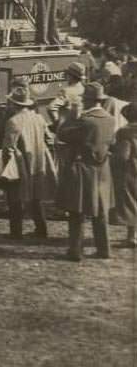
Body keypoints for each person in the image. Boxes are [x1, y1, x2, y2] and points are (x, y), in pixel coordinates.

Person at [57, 82, 116, 261]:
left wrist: (70, 116)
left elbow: (63, 134)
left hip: (83, 168)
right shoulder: (110, 119)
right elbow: (111, 142)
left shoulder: (84, 120)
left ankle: (75, 251)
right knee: (101, 212)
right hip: (103, 168)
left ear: (89, 100)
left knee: (77, 211)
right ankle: (104, 249)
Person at [1, 87, 52, 240]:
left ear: (14, 104)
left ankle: (16, 231)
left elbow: (8, 146)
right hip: (38, 161)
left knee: (15, 197)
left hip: (20, 162)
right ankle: (41, 228)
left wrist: (5, 165)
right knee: (36, 197)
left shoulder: (13, 121)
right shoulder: (39, 118)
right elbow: (49, 138)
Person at [111, 103, 137, 248]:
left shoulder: (125, 132)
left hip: (131, 170)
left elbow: (122, 156)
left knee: (131, 201)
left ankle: (132, 235)